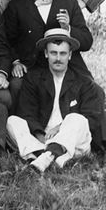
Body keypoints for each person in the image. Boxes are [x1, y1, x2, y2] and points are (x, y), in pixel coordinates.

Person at [6, 28, 98, 172]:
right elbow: (26, 112)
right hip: (41, 138)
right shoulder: (34, 78)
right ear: (46, 54)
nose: (58, 58)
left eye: (63, 53)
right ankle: (48, 156)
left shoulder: (83, 81)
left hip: (72, 141)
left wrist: (60, 128)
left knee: (76, 118)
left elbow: (90, 118)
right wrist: (40, 135)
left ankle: (40, 156)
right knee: (12, 121)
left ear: (70, 55)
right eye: (54, 53)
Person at [4, 0, 97, 95]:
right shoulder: (16, 7)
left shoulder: (69, 5)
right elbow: (7, 40)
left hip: (66, 65)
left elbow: (87, 42)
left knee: (92, 89)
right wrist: (16, 62)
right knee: (17, 86)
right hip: (30, 67)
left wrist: (68, 28)